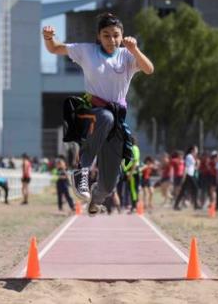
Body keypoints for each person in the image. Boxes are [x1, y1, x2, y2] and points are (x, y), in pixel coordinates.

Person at [43, 13, 154, 215]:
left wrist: (135, 49)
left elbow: (149, 69)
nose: (111, 40)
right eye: (106, 35)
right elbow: (55, 48)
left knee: (111, 182)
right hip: (91, 113)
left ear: (122, 36)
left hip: (117, 120)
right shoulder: (87, 51)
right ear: (98, 37)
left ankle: (97, 197)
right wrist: (49, 38)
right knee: (105, 117)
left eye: (115, 35)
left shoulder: (127, 56)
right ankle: (81, 171)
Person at [175, 145, 200, 210]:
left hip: (191, 174)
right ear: (192, 150)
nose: (197, 151)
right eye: (196, 149)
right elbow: (186, 166)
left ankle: (176, 205)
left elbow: (193, 167)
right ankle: (195, 204)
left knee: (183, 191)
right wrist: (184, 175)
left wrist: (197, 165)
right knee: (195, 188)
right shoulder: (189, 156)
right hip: (189, 175)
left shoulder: (192, 157)